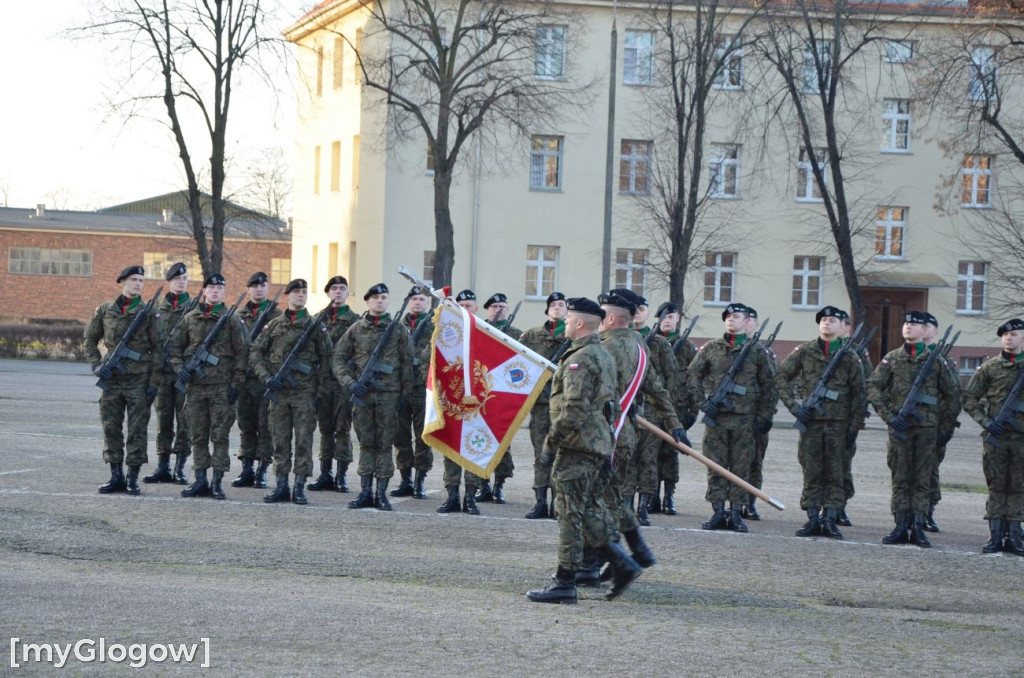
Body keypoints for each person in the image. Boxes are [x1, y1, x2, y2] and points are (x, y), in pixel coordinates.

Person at [526, 297, 642, 604]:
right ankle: (622, 563)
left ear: (579, 323)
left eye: (568, 320)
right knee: (588, 510)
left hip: (578, 445)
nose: (564, 323)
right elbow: (612, 404)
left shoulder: (581, 358)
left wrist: (551, 443)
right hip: (597, 444)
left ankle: (564, 581)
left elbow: (573, 409)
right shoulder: (602, 352)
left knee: (568, 513)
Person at [592, 289, 685, 582]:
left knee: (595, 500)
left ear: (610, 317)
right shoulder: (639, 344)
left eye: (601, 314)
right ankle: (632, 552)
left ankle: (602, 560)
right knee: (612, 496)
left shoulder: (607, 347)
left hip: (605, 434)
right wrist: (674, 424)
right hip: (625, 433)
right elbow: (655, 387)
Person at [867, 310, 960, 548]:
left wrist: (945, 428)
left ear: (924, 330)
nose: (908, 327)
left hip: (927, 429)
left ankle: (918, 525)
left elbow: (952, 395)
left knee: (922, 479)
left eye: (915, 324)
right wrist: (889, 416)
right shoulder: (892, 358)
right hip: (900, 428)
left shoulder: (936, 360)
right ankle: (900, 525)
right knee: (900, 477)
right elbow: (873, 387)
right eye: (906, 323)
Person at [775, 306, 866, 539]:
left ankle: (830, 519)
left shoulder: (849, 356)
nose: (826, 323)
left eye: (832, 320)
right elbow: (781, 376)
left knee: (836, 473)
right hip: (811, 423)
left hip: (839, 424)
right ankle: (813, 518)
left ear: (842, 326)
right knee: (811, 471)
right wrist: (795, 408)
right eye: (823, 319)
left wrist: (854, 427)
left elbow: (860, 393)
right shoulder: (805, 351)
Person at [688, 303, 776, 533]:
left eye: (735, 316)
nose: (730, 319)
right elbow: (693, 374)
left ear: (746, 321)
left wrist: (765, 416)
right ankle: (718, 511)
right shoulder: (711, 347)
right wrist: (702, 402)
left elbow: (769, 385)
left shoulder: (757, 351)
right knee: (715, 466)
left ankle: (736, 512)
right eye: (727, 316)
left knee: (741, 467)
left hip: (745, 419)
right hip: (717, 419)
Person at [332, 283, 413, 511]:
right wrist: (350, 383)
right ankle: (365, 491)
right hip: (363, 396)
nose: (380, 301)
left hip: (389, 397)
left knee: (385, 445)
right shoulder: (355, 329)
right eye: (375, 297)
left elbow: (408, 364)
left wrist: (404, 396)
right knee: (366, 444)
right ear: (367, 301)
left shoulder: (398, 330)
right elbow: (338, 359)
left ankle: (381, 493)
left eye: (384, 297)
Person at [251, 279, 332, 505]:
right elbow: (256, 352)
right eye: (296, 292)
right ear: (287, 295)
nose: (301, 295)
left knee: (304, 442)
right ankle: (281, 486)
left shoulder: (315, 325)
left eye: (304, 292)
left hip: (304, 394)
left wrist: (319, 391)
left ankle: (299, 487)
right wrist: (267, 377)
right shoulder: (274, 325)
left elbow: (328, 359)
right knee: (280, 441)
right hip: (279, 394)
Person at [83, 265, 162, 495]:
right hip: (112, 380)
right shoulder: (105, 310)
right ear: (123, 282)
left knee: (137, 430)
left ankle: (132, 478)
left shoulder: (150, 312)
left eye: (141, 280)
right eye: (134, 279)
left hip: (139, 380)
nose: (138, 284)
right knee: (111, 428)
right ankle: (116, 476)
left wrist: (154, 383)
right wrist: (96, 365)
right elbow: (89, 339)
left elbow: (159, 350)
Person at [171, 273, 248, 500]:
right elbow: (174, 348)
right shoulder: (189, 318)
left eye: (219, 288)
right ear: (204, 291)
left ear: (224, 292)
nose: (215, 291)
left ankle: (217, 482)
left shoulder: (232, 320)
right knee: (198, 436)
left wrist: (236, 384)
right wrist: (180, 369)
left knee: (220, 436)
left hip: (221, 389)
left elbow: (243, 353)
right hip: (195, 388)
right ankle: (200, 480)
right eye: (211, 287)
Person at [963, 318, 1024, 555]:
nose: (1008, 338)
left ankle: (1015, 534)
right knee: (997, 485)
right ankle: (995, 534)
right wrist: (987, 422)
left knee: (1019, 486)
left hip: (1021, 438)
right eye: (1005, 335)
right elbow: (969, 399)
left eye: (1014, 334)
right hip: (996, 437)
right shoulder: (990, 367)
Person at [628, 296, 680, 526]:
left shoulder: (659, 343)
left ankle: (643, 506)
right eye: (635, 309)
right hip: (627, 407)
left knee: (648, 459)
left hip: (651, 410)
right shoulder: (623, 339)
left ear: (649, 313)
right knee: (628, 457)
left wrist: (667, 413)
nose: (638, 312)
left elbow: (672, 379)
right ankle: (625, 504)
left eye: (642, 309)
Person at [307, 276, 361, 493]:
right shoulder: (316, 319)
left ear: (347, 293)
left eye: (342, 288)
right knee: (325, 430)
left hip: (343, 384)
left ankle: (341, 475)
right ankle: (325, 473)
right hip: (322, 382)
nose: (338, 292)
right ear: (328, 293)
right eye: (334, 288)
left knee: (342, 429)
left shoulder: (356, 321)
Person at [520, 291, 568, 519]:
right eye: (553, 305)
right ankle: (540, 501)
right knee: (541, 454)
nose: (557, 307)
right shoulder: (532, 335)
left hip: (563, 405)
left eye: (561, 304)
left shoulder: (572, 336)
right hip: (540, 404)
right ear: (547, 310)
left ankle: (557, 503)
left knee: (560, 454)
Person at [436, 289, 484, 514]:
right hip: (451, 397)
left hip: (478, 400)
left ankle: (471, 497)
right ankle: (452, 495)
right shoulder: (447, 334)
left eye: (468, 306)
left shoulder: (485, 333)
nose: (464, 309)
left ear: (476, 308)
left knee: (475, 447)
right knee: (451, 447)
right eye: (461, 306)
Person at [146, 261, 193, 485]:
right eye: (176, 279)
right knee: (163, 421)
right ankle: (163, 466)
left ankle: (179, 468)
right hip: (163, 374)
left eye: (184, 278)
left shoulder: (195, 309)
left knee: (185, 422)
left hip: (184, 374)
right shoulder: (156, 309)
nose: (181, 282)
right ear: (169, 282)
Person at [233, 272, 281, 489]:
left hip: (265, 379)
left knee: (265, 427)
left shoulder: (277, 316)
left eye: (262, 285)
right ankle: (247, 469)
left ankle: (262, 470)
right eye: (254, 286)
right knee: (246, 425)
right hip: (244, 379)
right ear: (248, 289)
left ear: (267, 288)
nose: (258, 289)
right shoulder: (238, 316)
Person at [649, 302, 698, 516]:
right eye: (663, 317)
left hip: (676, 408)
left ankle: (669, 496)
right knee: (650, 454)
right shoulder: (650, 342)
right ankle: (651, 496)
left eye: (670, 317)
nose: (666, 321)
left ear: (677, 319)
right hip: (651, 407)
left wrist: (692, 411)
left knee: (670, 454)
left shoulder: (687, 347)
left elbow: (694, 378)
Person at [475, 292, 521, 503]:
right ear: (487, 310)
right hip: (481, 393)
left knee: (502, 441)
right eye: (493, 307)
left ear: (508, 310)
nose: (498, 310)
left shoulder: (517, 334)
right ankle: (482, 484)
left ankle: (498, 485)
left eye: (502, 306)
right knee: (480, 439)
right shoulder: (479, 330)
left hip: (504, 394)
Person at [391, 285, 435, 499]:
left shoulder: (434, 326)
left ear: (427, 303)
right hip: (400, 388)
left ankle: (420, 480)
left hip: (423, 389)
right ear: (408, 302)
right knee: (400, 436)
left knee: (422, 437)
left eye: (422, 299)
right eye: (414, 299)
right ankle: (405, 479)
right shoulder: (397, 326)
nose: (418, 302)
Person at [922, 312, 963, 533]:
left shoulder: (943, 360)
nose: (921, 328)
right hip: (908, 425)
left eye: (926, 325)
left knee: (930, 469)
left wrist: (946, 427)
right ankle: (907, 514)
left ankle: (927, 511)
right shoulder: (902, 357)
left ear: (935, 331)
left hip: (933, 424)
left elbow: (954, 395)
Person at [743, 307, 779, 520]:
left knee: (754, 462)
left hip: (756, 416)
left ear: (755, 325)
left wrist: (766, 416)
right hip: (732, 416)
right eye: (744, 319)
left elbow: (772, 387)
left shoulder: (765, 353)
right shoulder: (725, 349)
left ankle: (750, 503)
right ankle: (731, 503)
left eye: (750, 320)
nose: (746, 323)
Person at [837, 316, 872, 526]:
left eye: (838, 322)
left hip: (846, 418)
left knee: (842, 464)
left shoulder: (858, 352)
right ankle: (820, 507)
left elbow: (866, 385)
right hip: (820, 418)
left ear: (847, 328)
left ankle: (839, 506)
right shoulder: (815, 350)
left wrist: (857, 420)